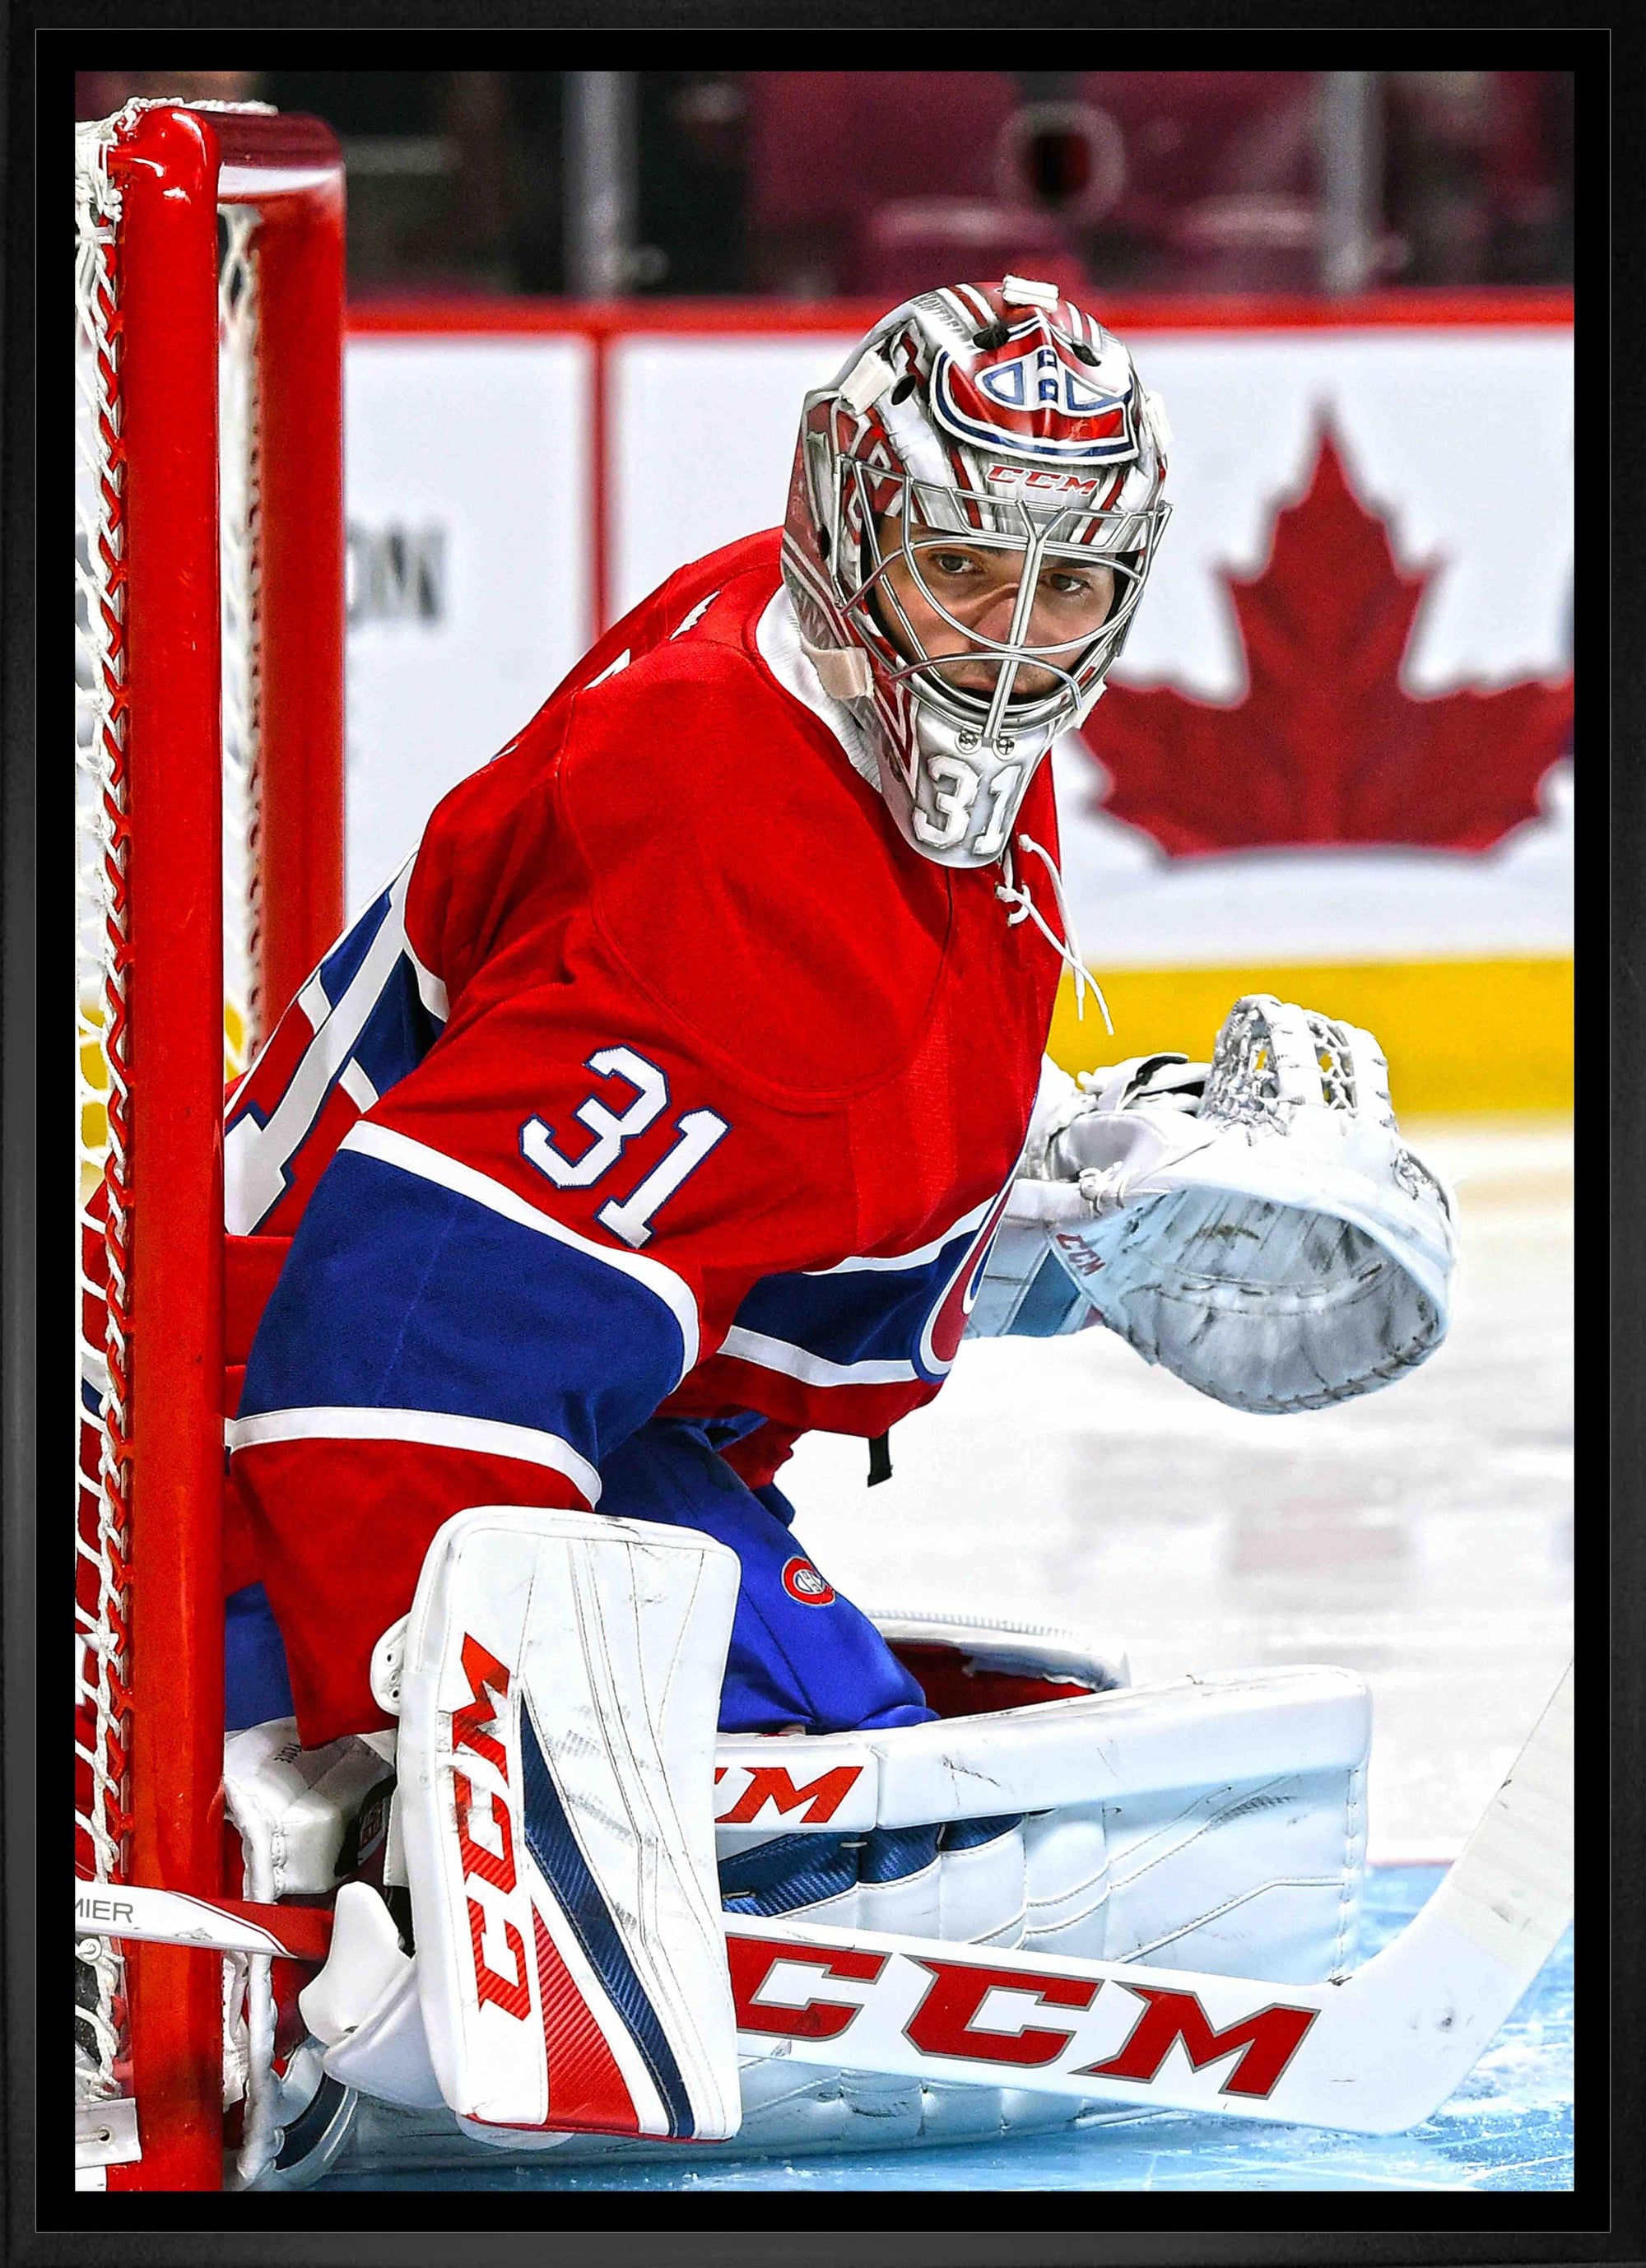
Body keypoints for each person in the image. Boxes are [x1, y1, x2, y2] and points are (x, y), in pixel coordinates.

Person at [222, 277, 1452, 2145]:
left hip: (511, 1401)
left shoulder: (809, 659)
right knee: (884, 1810)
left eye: (1068, 589)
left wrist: (1073, 1200)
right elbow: (390, 1355)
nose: (1011, 648)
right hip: (250, 1492)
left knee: (869, 1734)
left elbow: (735, 1186)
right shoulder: (728, 887)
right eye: (965, 570)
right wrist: (425, 1773)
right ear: (849, 517)